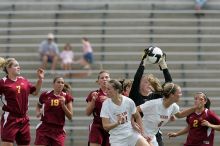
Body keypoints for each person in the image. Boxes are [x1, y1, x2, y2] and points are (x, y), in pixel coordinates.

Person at [129, 47, 172, 146]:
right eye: (145, 82)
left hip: (154, 134)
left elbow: (169, 85)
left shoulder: (156, 96)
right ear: (139, 84)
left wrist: (164, 66)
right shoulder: (135, 95)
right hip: (138, 133)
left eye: (150, 83)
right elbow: (137, 78)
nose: (148, 84)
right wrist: (143, 62)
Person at [0, 57, 44, 146]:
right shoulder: (2, 82)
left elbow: (35, 92)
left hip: (24, 119)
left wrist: (40, 80)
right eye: (16, 65)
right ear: (8, 68)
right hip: (10, 118)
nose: (19, 67)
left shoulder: (23, 80)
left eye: (19, 65)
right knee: (7, 144)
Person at [100, 79, 152, 146]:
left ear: (117, 90)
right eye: (106, 89)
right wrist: (117, 123)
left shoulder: (129, 101)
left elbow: (137, 116)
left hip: (131, 134)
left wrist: (143, 133)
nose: (106, 91)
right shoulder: (106, 104)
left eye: (108, 89)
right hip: (117, 139)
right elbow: (105, 126)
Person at [34, 76, 73, 146]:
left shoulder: (67, 97)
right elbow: (38, 105)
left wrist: (63, 105)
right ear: (53, 84)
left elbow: (70, 116)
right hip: (44, 128)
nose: (60, 84)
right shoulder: (45, 95)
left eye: (62, 83)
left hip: (58, 130)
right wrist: (38, 112)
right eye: (58, 82)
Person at [85, 70, 110, 146]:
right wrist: (93, 100)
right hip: (98, 125)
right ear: (98, 81)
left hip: (111, 125)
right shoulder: (94, 94)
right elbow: (87, 113)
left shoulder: (116, 94)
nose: (104, 79)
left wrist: (109, 99)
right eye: (102, 78)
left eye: (106, 77)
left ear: (110, 80)